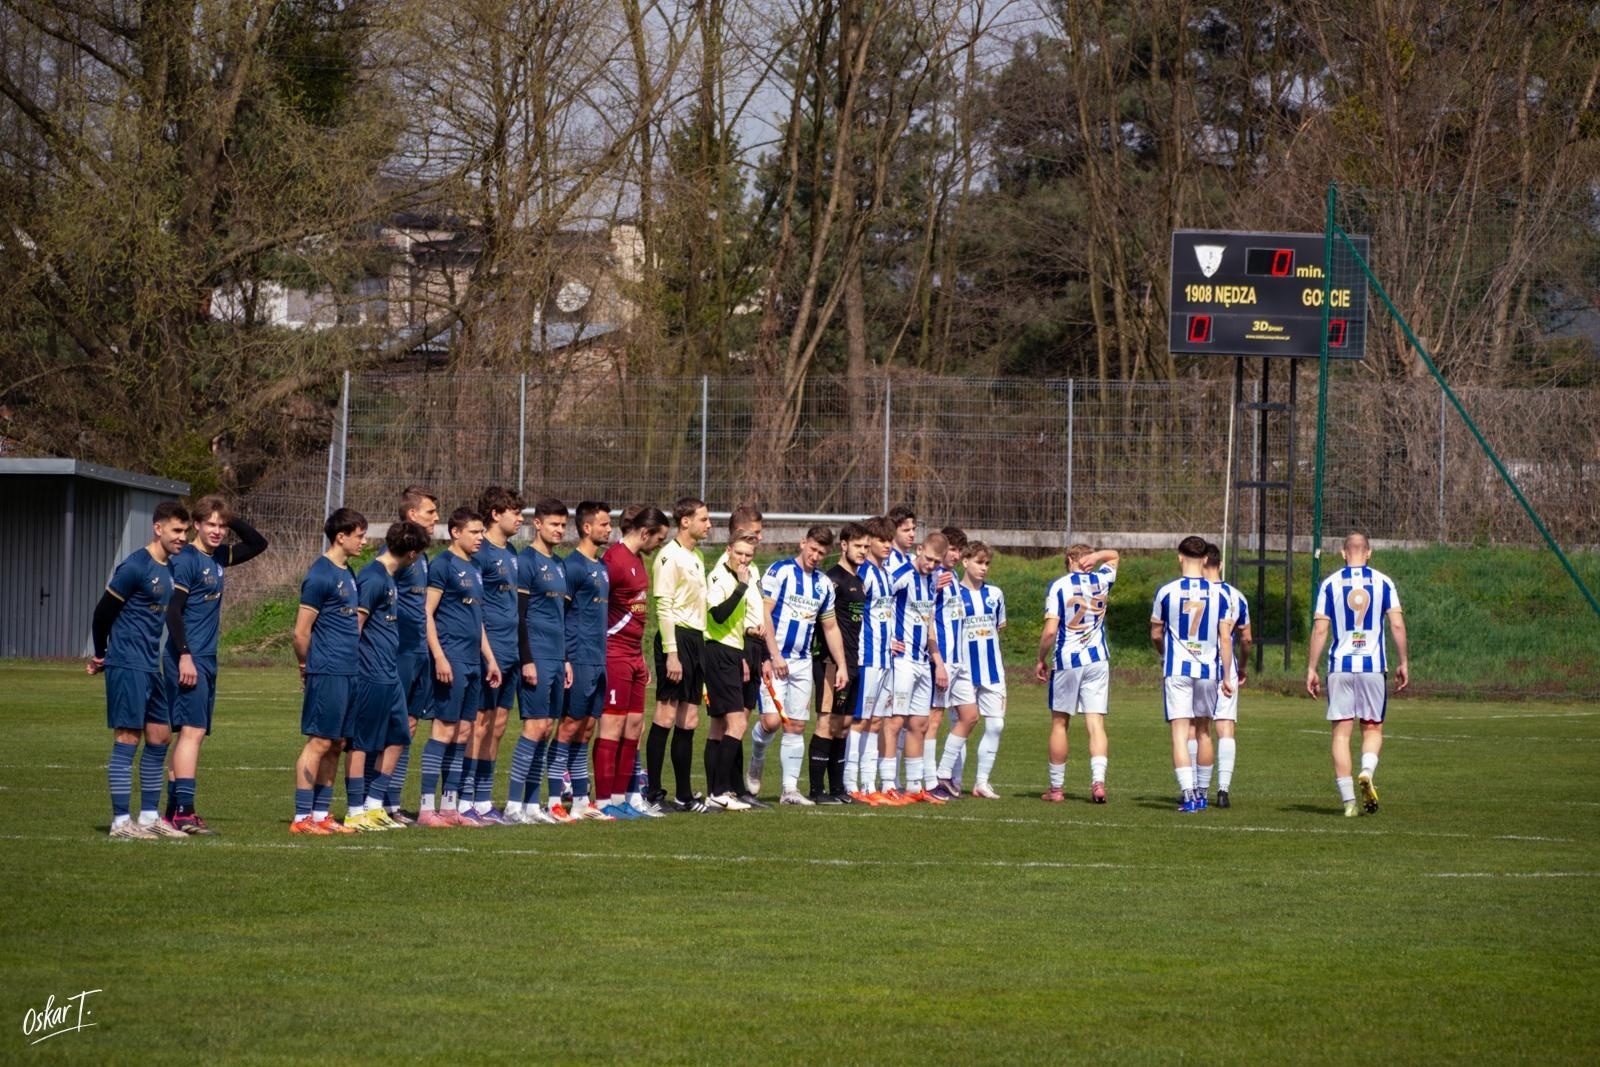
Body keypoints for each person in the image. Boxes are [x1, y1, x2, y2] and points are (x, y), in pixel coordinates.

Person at [162, 495, 269, 833]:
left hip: (206, 659)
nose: (218, 531)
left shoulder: (218, 556)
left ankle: (172, 812)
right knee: (191, 732)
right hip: (188, 657)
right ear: (196, 524)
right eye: (211, 524)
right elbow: (173, 611)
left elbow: (258, 543)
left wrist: (230, 515)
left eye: (222, 526)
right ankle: (184, 812)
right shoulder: (187, 560)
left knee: (193, 736)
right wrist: (185, 655)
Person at [88, 501, 191, 839]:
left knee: (160, 736)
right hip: (127, 662)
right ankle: (121, 822)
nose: (182, 537)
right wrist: (102, 654)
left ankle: (148, 817)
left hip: (150, 665)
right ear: (158, 528)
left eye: (185, 531)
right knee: (128, 737)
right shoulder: (134, 566)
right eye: (177, 530)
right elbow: (102, 614)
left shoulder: (170, 568)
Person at [1307, 532, 1408, 818]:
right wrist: (1403, 661)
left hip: (1340, 666)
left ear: (1342, 553)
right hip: (1372, 666)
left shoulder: (1329, 584)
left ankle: (1349, 803)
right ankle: (1366, 770)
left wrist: (1312, 668)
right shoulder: (1383, 582)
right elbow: (1397, 626)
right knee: (1372, 728)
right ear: (1369, 553)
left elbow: (1320, 630)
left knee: (1341, 734)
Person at [748, 525, 849, 805]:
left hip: (803, 662)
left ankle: (789, 790)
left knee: (795, 725)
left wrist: (841, 665)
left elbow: (830, 627)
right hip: (774, 658)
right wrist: (773, 655)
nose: (816, 556)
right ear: (803, 543)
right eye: (813, 549)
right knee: (770, 721)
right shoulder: (780, 571)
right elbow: (764, 613)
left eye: (821, 553)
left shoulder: (823, 585)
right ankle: (756, 757)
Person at [418, 508, 502, 827]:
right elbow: (427, 613)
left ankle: (451, 807)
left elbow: (476, 619)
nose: (480, 538)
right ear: (455, 532)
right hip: (450, 658)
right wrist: (439, 656)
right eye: (475, 532)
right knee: (444, 728)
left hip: (473, 661)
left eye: (482, 532)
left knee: (464, 731)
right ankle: (427, 808)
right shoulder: (443, 565)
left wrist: (490, 659)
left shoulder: (475, 566)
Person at [348, 521, 432, 830]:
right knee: (362, 742)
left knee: (398, 735)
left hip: (390, 671)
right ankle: (356, 810)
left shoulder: (389, 577)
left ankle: (373, 805)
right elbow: (355, 628)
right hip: (370, 673)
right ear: (412, 555)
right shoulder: (372, 577)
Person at [289, 508, 368, 835]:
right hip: (328, 670)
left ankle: (321, 815)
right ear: (341, 536)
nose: (364, 541)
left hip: (349, 670)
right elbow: (300, 632)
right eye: (360, 535)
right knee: (319, 742)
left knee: (337, 743)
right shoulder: (320, 574)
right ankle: (300, 818)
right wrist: (307, 665)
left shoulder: (347, 571)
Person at [596, 505, 671, 818]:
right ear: (644, 532)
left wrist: (640, 656)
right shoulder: (613, 561)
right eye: (659, 538)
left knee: (634, 726)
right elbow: (597, 611)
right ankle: (603, 802)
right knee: (611, 726)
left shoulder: (639, 561)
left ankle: (621, 798)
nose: (660, 545)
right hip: (613, 654)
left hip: (633, 657)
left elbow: (636, 614)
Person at [1150, 536, 1234, 813]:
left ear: (1180, 557)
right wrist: (1226, 676)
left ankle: (1187, 795)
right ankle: (1202, 793)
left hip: (1178, 669)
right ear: (1206, 560)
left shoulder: (1167, 591)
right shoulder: (1220, 594)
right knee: (1204, 732)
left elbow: (1155, 633)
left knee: (1179, 734)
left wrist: (1163, 652)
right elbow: (1225, 639)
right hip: (1209, 670)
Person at [1035, 543, 1120, 803]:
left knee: (1060, 723)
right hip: (1097, 660)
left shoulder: (1059, 585)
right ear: (1089, 559)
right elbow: (1115, 555)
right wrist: (1099, 555)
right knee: (1095, 724)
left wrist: (1040, 658)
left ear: (1069, 559)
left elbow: (1050, 631)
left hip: (1068, 660)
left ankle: (1057, 789)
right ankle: (1098, 783)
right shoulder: (1102, 580)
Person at [551, 500, 614, 821]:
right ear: (587, 528)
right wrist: (565, 659)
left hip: (598, 658)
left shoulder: (602, 567)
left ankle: (579, 800)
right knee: (568, 727)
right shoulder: (571, 567)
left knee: (587, 728)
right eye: (603, 524)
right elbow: (560, 615)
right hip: (577, 659)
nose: (609, 528)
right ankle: (552, 801)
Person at [648, 497, 712, 812]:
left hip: (696, 639)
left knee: (689, 719)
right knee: (666, 714)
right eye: (704, 519)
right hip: (677, 640)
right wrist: (671, 653)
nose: (709, 525)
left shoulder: (697, 556)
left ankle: (684, 795)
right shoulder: (668, 556)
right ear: (685, 521)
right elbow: (664, 605)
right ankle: (652, 792)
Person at [508, 498, 569, 824]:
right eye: (554, 524)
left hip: (558, 659)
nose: (559, 530)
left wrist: (567, 659)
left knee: (547, 728)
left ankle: (533, 805)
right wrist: (527, 659)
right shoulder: (526, 562)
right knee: (534, 727)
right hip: (537, 657)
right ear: (538, 524)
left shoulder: (559, 564)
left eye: (563, 525)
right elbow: (519, 615)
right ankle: (513, 804)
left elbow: (561, 617)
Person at [464, 486, 522, 823]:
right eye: (513, 511)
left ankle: (484, 800)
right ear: (495, 514)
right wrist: (488, 654)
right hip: (490, 653)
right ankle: (465, 798)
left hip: (511, 651)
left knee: (498, 726)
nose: (520, 518)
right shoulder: (480, 552)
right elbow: (476, 609)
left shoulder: (512, 552)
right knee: (479, 725)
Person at [381, 486, 438, 824]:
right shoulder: (392, 555)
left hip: (419, 652)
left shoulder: (423, 556)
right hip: (397, 651)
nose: (436, 518)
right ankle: (375, 801)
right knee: (392, 726)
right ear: (412, 515)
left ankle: (392, 803)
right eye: (430, 512)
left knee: (410, 726)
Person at [934, 541, 1007, 799]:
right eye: (979, 562)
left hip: (993, 671)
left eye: (987, 563)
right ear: (965, 562)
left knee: (996, 725)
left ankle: (982, 782)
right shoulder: (953, 593)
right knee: (961, 722)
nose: (983, 568)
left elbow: (998, 628)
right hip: (962, 669)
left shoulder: (995, 595)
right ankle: (953, 778)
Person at [880, 530, 949, 804]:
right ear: (920, 549)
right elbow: (880, 605)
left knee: (920, 724)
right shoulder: (902, 574)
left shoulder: (933, 580)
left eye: (937, 562)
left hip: (922, 661)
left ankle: (914, 785)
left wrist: (937, 658)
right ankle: (887, 784)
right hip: (903, 660)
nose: (931, 565)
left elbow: (928, 619)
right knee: (895, 721)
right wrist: (887, 640)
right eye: (929, 558)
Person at [703, 532, 761, 809]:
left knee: (718, 727)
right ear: (728, 550)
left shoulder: (741, 577)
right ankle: (720, 792)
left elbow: (732, 622)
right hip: (718, 651)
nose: (743, 559)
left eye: (748, 555)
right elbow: (717, 615)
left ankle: (714, 792)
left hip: (730, 650)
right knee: (737, 723)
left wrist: (749, 630)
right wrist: (740, 588)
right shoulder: (719, 578)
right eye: (739, 553)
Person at [813, 522, 868, 802]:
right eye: (858, 546)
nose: (863, 551)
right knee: (827, 722)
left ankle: (837, 788)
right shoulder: (832, 580)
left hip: (853, 661)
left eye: (866, 547)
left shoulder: (859, 582)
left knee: (845, 723)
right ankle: (816, 789)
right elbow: (824, 624)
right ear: (844, 545)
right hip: (832, 663)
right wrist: (834, 659)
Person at [1192, 543, 1250, 808]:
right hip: (1227, 668)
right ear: (1221, 564)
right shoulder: (1236, 597)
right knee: (1225, 727)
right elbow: (1246, 639)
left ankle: (1194, 787)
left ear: (1202, 563)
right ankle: (1223, 790)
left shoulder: (1190, 592)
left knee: (1196, 727)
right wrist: (1243, 668)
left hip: (1196, 666)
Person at [846, 516, 897, 804]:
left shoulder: (886, 573)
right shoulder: (863, 573)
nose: (887, 545)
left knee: (876, 721)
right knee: (859, 721)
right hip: (866, 657)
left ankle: (868, 784)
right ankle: (850, 783)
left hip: (885, 658)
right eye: (882, 540)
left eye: (890, 540)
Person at [928, 527, 970, 796]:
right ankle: (930, 779)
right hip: (941, 659)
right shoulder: (933, 577)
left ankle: (943, 773)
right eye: (951, 549)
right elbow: (927, 619)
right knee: (933, 719)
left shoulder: (953, 576)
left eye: (958, 550)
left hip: (959, 662)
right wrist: (938, 661)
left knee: (970, 715)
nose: (954, 555)